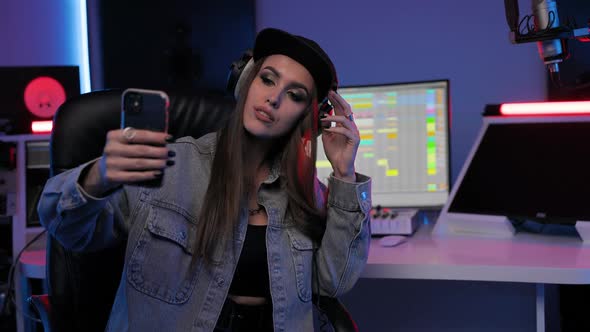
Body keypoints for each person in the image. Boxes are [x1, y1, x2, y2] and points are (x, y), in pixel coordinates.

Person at [38, 27, 372, 331]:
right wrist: (99, 175)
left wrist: (344, 172)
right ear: (246, 82)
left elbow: (334, 281)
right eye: (267, 79)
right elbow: (67, 228)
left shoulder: (304, 192)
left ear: (307, 118)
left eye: (295, 95)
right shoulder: (170, 166)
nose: (274, 98)